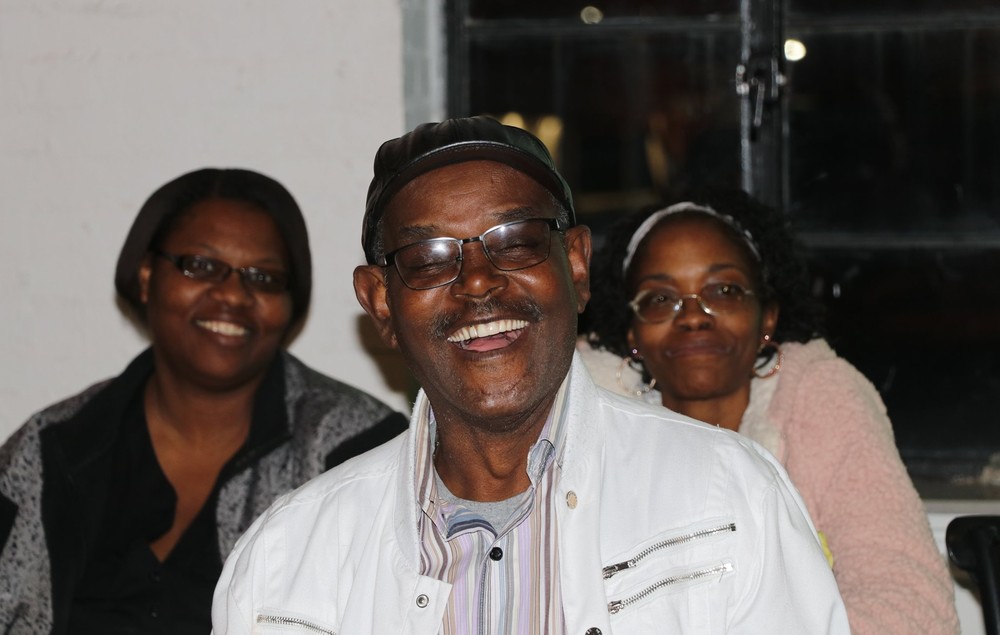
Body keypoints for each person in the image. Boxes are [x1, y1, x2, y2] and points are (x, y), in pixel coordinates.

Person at [212, 117, 850, 634]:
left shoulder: (727, 499)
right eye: (429, 257)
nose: (479, 281)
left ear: (575, 266)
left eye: (514, 241)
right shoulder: (284, 567)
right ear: (381, 302)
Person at [0, 168, 408, 635]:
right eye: (201, 266)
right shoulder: (53, 449)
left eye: (264, 277)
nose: (233, 294)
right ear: (148, 277)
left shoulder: (361, 451)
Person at [579, 187, 960, 634]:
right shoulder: (588, 418)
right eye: (660, 298)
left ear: (769, 317)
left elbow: (908, 596)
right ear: (632, 334)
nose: (693, 316)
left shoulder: (820, 401)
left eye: (723, 291)